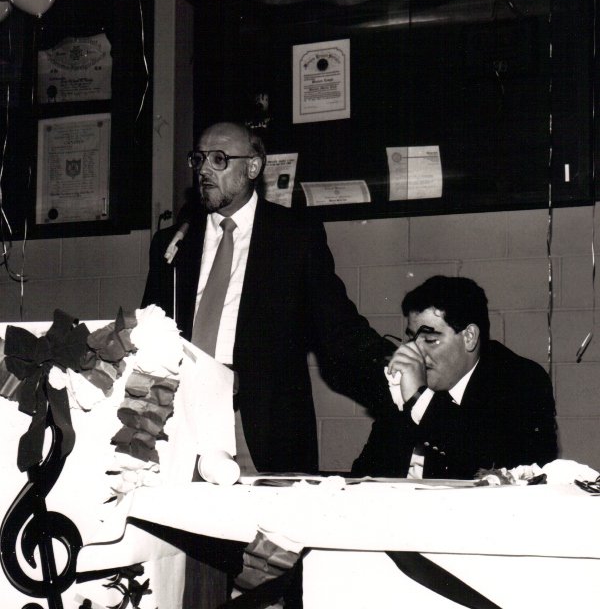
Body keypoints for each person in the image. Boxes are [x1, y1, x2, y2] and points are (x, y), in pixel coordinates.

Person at [141, 121, 395, 607]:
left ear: (254, 167)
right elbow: (151, 331)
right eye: (199, 159)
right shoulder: (172, 243)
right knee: (185, 566)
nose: (204, 170)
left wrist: (395, 373)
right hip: (182, 427)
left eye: (220, 159)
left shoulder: (294, 235)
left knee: (267, 577)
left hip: (259, 428)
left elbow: (337, 329)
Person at [352, 275, 559, 479]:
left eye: (430, 340)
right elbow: (366, 473)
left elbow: (504, 470)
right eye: (411, 338)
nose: (415, 352)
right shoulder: (406, 377)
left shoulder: (521, 380)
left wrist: (419, 399)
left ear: (469, 337)